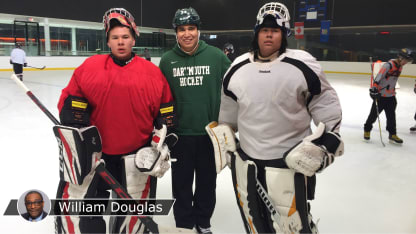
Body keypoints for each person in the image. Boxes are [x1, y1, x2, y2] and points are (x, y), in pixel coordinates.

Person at [205, 2, 343, 233]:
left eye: (275, 30)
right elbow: (228, 116)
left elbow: (326, 105)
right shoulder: (237, 67)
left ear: (284, 34)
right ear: (256, 32)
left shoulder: (302, 64)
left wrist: (327, 144)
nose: (269, 35)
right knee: (254, 225)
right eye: (264, 30)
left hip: (288, 165)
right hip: (247, 166)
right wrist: (226, 140)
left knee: (293, 228)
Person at [54, 8, 174, 233]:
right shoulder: (89, 68)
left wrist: (164, 137)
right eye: (115, 38)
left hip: (134, 158)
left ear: (134, 39)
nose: (121, 42)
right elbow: (70, 101)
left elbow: (166, 112)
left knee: (130, 216)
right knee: (88, 210)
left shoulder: (152, 74)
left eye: (125, 37)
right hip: (96, 157)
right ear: (108, 41)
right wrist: (74, 115)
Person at [158, 7, 231, 234]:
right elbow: (160, 97)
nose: (187, 33)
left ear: (199, 30)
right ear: (176, 33)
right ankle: (184, 226)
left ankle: (203, 222)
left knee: (207, 183)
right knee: (181, 186)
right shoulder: (167, 61)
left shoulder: (217, 57)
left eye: (191, 28)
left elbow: (235, 90)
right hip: (180, 136)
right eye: (182, 29)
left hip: (210, 135)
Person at [364, 48, 414, 144]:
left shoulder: (400, 67)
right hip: (381, 96)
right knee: (373, 115)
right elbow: (379, 76)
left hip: (391, 96)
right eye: (405, 60)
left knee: (391, 117)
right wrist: (374, 88)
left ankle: (392, 134)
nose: (406, 62)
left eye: (408, 61)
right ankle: (367, 129)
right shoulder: (388, 65)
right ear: (400, 57)